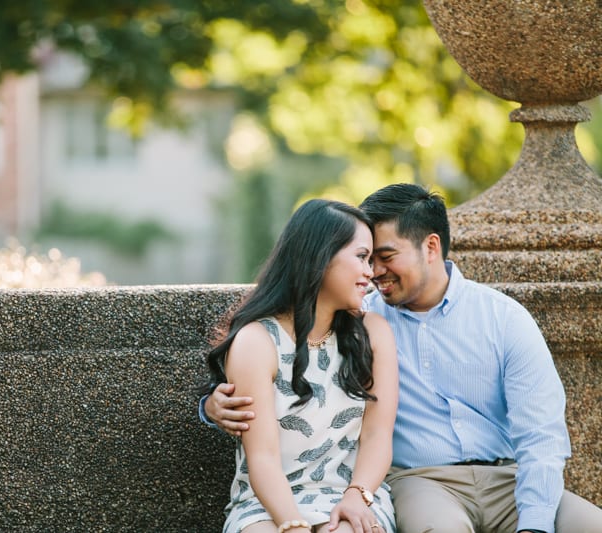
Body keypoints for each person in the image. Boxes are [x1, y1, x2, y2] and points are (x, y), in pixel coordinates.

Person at [203, 184, 602, 533]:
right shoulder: (361, 317)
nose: (373, 272)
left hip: (506, 478)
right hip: (422, 482)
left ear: (430, 247)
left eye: (383, 256)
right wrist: (211, 405)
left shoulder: (500, 318)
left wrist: (534, 524)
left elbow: (542, 436)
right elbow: (269, 383)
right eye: (365, 257)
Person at [202, 199, 399, 533]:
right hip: (265, 502)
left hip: (351, 494)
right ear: (320, 257)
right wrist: (293, 524)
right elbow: (261, 458)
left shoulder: (373, 332)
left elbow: (378, 435)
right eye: (362, 257)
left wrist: (358, 494)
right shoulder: (257, 342)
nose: (371, 271)